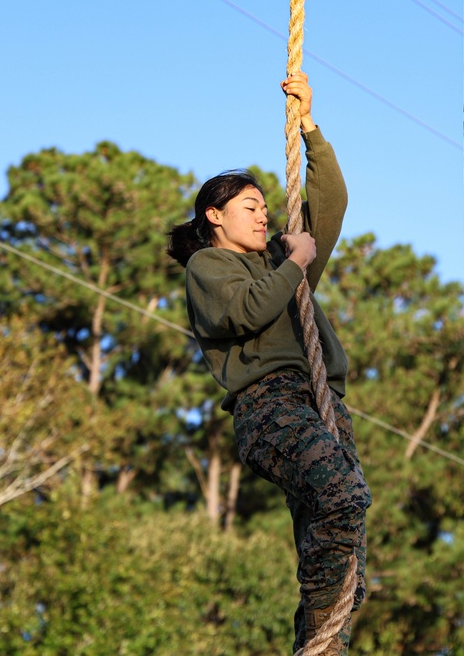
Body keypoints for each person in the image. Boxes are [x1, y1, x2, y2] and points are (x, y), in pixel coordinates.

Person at [167, 71, 370, 655]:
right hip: (272, 408)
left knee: (349, 565)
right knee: (341, 497)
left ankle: (321, 646)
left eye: (264, 208)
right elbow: (248, 312)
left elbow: (330, 203)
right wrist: (295, 263)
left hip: (325, 403)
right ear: (214, 216)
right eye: (249, 207)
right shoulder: (209, 268)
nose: (262, 217)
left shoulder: (285, 262)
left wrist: (309, 127)